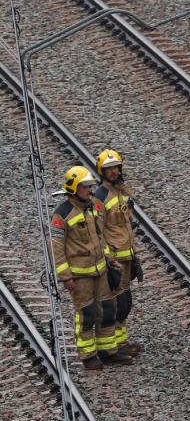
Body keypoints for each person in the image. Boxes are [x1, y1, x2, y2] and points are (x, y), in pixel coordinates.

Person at [50, 166, 132, 370]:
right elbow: (57, 249)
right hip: (80, 276)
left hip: (101, 270)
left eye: (90, 186)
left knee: (107, 310)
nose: (90, 190)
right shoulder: (62, 215)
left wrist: (109, 258)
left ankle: (108, 351)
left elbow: (100, 237)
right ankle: (88, 355)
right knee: (86, 314)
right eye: (85, 187)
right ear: (74, 188)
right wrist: (66, 277)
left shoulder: (93, 207)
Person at [94, 150, 142, 358]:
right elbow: (97, 232)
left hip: (126, 257)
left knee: (125, 303)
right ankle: (107, 350)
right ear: (102, 171)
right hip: (114, 260)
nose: (114, 172)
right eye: (109, 169)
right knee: (113, 304)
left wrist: (133, 256)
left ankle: (120, 343)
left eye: (116, 168)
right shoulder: (100, 197)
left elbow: (125, 227)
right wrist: (108, 259)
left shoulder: (121, 191)